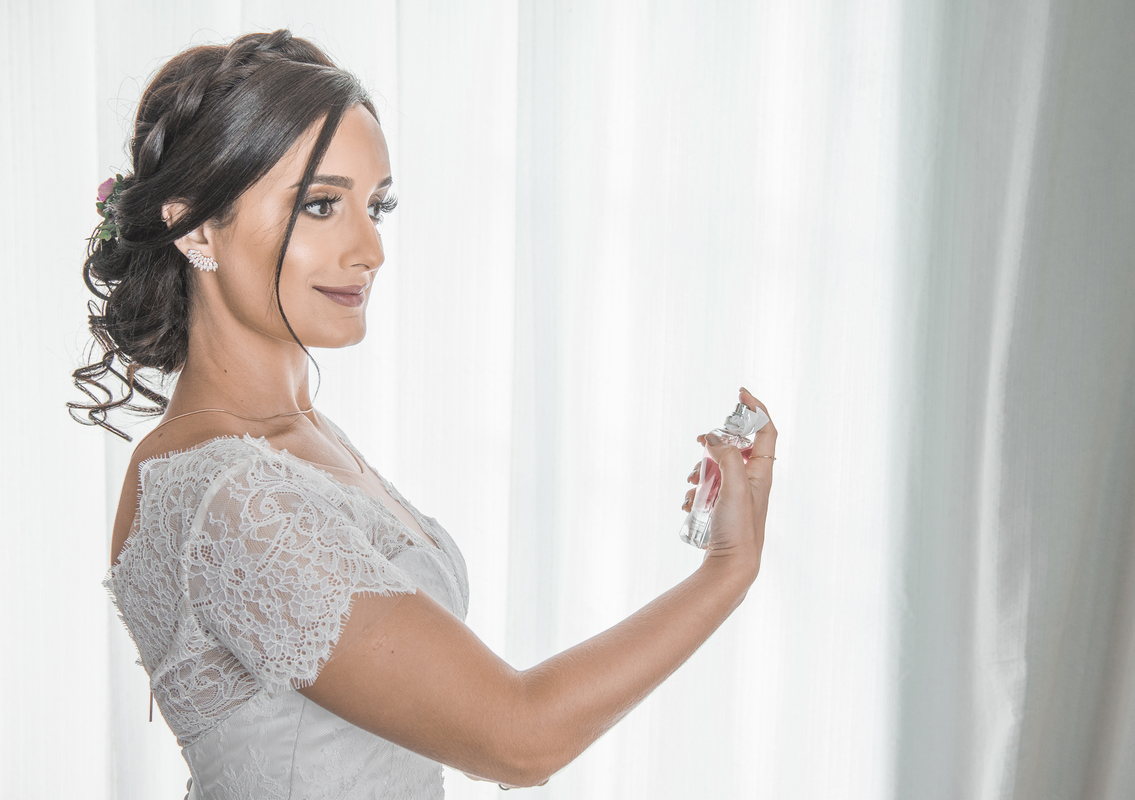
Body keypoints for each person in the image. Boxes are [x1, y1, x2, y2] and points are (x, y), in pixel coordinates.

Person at [72, 29, 777, 799]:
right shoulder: (227, 493)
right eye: (320, 205)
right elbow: (518, 739)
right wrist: (726, 573)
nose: (369, 247)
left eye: (376, 206)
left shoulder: (297, 437)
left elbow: (458, 732)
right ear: (198, 227)